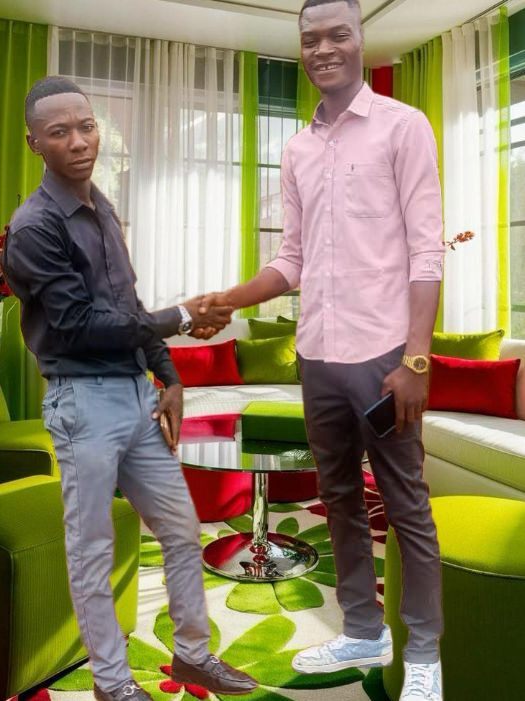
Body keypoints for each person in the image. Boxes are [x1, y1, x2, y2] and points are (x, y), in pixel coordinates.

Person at [200, 1, 445, 699]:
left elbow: (427, 251)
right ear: (301, 49)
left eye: (339, 35)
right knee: (337, 497)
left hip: (383, 357)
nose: (324, 49)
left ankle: (423, 653)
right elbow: (292, 259)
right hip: (317, 356)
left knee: (405, 505)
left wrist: (416, 358)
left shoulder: (403, 126)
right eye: (311, 39)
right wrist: (230, 298)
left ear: (361, 40)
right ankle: (362, 629)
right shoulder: (297, 149)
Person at [2, 76, 257, 701]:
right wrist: (183, 316)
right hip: (82, 403)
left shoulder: (104, 208)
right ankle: (113, 686)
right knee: (91, 550)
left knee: (181, 529)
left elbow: (128, 307)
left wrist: (168, 374)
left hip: (137, 397)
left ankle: (193, 655)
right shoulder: (34, 228)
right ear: (35, 144)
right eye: (59, 132)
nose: (78, 141)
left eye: (86, 126)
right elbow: (79, 326)